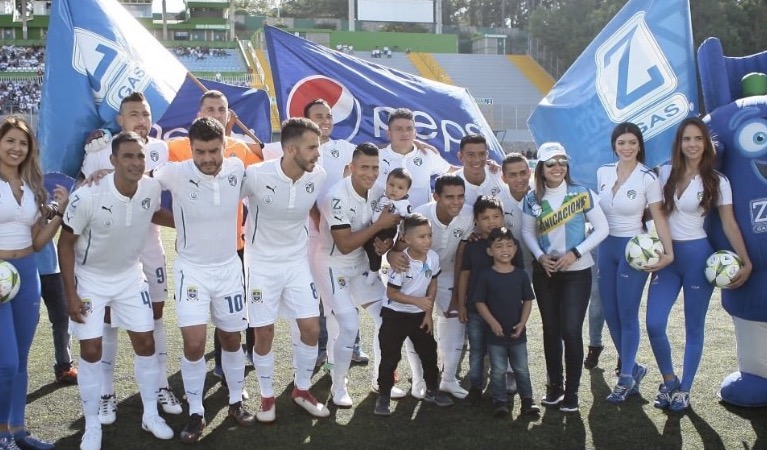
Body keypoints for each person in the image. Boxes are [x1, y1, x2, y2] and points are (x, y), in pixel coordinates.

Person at [59, 132, 174, 450]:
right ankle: (92, 425)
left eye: (140, 156)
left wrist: (189, 223)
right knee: (91, 351)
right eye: (127, 156)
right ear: (113, 160)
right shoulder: (89, 195)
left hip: (130, 277)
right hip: (91, 280)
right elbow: (65, 243)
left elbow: (154, 212)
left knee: (146, 342)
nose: (136, 162)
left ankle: (150, 414)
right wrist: (71, 294)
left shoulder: (150, 188)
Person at [81, 92, 181, 423]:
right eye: (133, 114)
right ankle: (108, 392)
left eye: (145, 113)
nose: (141, 119)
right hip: (111, 253)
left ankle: (161, 385)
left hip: (149, 246)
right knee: (109, 319)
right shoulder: (99, 152)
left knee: (154, 315)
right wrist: (88, 179)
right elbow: (83, 194)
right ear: (120, 120)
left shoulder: (160, 149)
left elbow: (158, 202)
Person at [153, 117, 255, 443]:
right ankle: (196, 410)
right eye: (200, 151)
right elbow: (137, 181)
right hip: (191, 271)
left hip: (229, 270)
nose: (208, 158)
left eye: (214, 150)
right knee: (195, 344)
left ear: (225, 145)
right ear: (191, 149)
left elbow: (274, 176)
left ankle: (236, 401)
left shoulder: (238, 168)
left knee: (232, 340)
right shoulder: (176, 172)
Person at [647, 117, 752, 412]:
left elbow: (729, 224)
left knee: (694, 327)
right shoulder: (663, 173)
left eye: (698, 139)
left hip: (698, 259)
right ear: (679, 144)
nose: (692, 144)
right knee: (654, 323)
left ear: (706, 144)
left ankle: (684, 390)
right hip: (667, 259)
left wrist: (745, 260)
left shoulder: (718, 181)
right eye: (686, 139)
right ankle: (669, 381)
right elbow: (652, 213)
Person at [168, 90, 261, 388]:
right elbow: (140, 154)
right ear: (198, 114)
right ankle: (202, 390)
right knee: (196, 332)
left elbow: (270, 162)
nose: (215, 113)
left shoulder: (240, 152)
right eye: (210, 108)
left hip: (235, 247)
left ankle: (232, 370)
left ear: (228, 115)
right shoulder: (178, 148)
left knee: (234, 320)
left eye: (221, 109)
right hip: (194, 256)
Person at [242, 118, 329, 422]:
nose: (317, 153)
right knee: (263, 333)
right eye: (312, 147)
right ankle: (267, 397)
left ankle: (301, 390)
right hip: (261, 265)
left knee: (311, 329)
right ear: (291, 149)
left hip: (296, 263)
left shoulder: (316, 175)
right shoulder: (254, 175)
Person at [521, 142, 608, 413]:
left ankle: (572, 392)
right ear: (541, 168)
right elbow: (527, 232)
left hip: (577, 273)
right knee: (551, 331)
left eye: (562, 161)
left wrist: (575, 253)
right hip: (545, 273)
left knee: (571, 331)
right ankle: (554, 388)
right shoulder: (532, 198)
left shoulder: (582, 193)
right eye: (551, 163)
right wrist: (539, 256)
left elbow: (602, 229)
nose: (558, 167)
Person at [313, 143, 400, 407]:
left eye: (375, 168)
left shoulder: (379, 192)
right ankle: (339, 387)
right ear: (351, 167)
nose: (370, 173)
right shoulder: (335, 196)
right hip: (332, 265)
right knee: (349, 326)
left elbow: (388, 229)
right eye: (364, 167)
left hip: (362, 264)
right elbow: (345, 244)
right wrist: (379, 226)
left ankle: (382, 381)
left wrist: (386, 243)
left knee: (387, 319)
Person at [596, 122, 675, 403]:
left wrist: (668, 252)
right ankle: (635, 368)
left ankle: (625, 377)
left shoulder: (647, 178)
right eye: (621, 143)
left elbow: (660, 216)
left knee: (628, 316)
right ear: (614, 146)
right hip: (606, 248)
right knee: (611, 314)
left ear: (639, 145)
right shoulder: (603, 172)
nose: (626, 147)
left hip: (634, 250)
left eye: (632, 142)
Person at [0, 116, 64, 450]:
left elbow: (39, 242)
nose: (16, 148)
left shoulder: (31, 187)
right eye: (10, 140)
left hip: (27, 272)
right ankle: (1, 435)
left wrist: (59, 212)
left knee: (21, 360)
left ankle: (18, 432)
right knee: (6, 362)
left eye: (22, 143)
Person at [374, 213, 454, 416]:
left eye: (429, 235)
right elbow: (391, 293)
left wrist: (427, 313)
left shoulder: (433, 257)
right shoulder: (401, 262)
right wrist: (416, 301)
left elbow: (433, 282)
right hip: (395, 315)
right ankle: (383, 397)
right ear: (407, 239)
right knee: (390, 358)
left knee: (428, 354)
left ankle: (432, 391)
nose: (427, 240)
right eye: (421, 237)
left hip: (420, 316)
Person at [457, 196, 523, 406]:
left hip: (504, 311)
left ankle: (500, 388)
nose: (491, 221)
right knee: (477, 350)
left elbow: (519, 278)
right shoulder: (473, 245)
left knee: (502, 349)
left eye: (496, 216)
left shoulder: (512, 245)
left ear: (503, 217)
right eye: (485, 218)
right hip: (476, 310)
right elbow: (464, 275)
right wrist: (460, 304)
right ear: (476, 220)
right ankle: (476, 386)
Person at [413, 174, 474, 399]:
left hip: (449, 272)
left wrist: (458, 293)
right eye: (449, 197)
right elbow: (407, 251)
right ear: (436, 196)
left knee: (455, 320)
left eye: (460, 196)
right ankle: (418, 381)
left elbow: (461, 254)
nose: (456, 202)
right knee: (417, 325)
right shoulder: (420, 214)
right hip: (420, 274)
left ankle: (448, 379)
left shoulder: (468, 215)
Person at [473, 227, 540, 417]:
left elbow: (528, 301)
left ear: (515, 249)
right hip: (496, 335)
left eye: (509, 245)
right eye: (499, 246)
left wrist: (522, 323)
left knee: (521, 369)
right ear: (490, 251)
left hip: (518, 334)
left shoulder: (520, 275)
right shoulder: (486, 275)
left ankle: (528, 401)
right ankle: (499, 401)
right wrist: (492, 323)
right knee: (498, 369)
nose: (505, 250)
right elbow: (479, 302)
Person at [375, 108, 454, 208]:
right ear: (389, 133)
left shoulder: (427, 154)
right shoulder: (375, 157)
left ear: (415, 133)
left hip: (421, 221)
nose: (405, 133)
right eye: (399, 129)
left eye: (409, 129)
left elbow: (453, 172)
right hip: (384, 221)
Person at [36, 241, 77, 384]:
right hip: (19, 268)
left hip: (51, 266)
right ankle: (14, 368)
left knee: (63, 317)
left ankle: (64, 366)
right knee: (25, 322)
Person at [364, 167, 412, 283]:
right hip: (373, 227)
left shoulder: (404, 204)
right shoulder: (383, 196)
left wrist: (401, 229)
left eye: (400, 188)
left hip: (387, 229)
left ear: (407, 191)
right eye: (391, 185)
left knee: (376, 247)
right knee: (366, 245)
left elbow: (408, 219)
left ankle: (374, 270)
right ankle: (369, 266)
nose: (394, 190)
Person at [457, 134, 508, 208]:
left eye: (481, 154)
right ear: (460, 157)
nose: (477, 159)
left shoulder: (500, 175)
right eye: (471, 154)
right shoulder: (451, 184)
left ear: (487, 155)